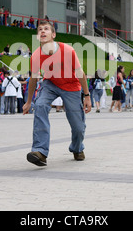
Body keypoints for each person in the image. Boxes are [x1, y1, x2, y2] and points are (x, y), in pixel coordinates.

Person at [22, 20, 91, 167]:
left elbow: (81, 73)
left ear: (53, 34)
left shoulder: (67, 50)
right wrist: (29, 102)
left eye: (46, 29)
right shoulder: (35, 55)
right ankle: (40, 151)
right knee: (40, 105)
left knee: (78, 126)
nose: (42, 31)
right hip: (50, 83)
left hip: (71, 85)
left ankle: (77, 148)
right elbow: (33, 79)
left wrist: (87, 96)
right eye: (40, 29)